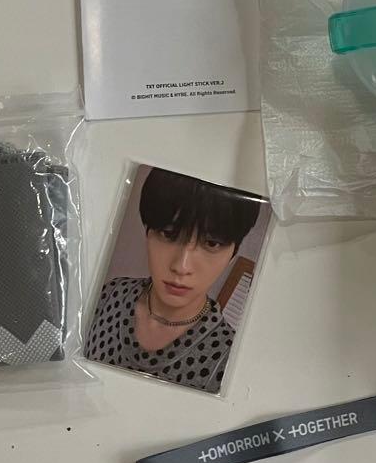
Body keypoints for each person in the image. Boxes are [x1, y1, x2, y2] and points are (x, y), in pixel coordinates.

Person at [85, 167, 263, 392]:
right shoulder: (109, 295)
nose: (182, 266)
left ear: (232, 254)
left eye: (211, 243)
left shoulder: (229, 360)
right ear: (148, 233)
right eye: (169, 234)